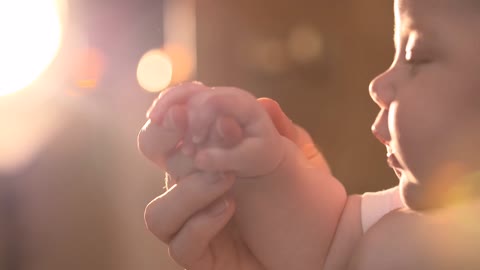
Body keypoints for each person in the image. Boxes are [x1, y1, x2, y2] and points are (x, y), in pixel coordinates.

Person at [138, 0, 480, 269]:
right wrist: (269, 172)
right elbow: (327, 245)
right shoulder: (399, 212)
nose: (378, 85)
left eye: (415, 55)